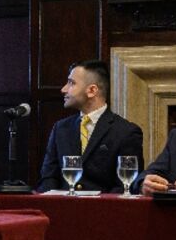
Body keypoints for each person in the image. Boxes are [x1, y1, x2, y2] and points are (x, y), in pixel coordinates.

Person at [37, 60, 144, 193]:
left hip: (104, 210)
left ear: (92, 90)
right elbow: (48, 178)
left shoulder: (126, 132)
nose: (63, 89)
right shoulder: (60, 129)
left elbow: (127, 185)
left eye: (71, 83)